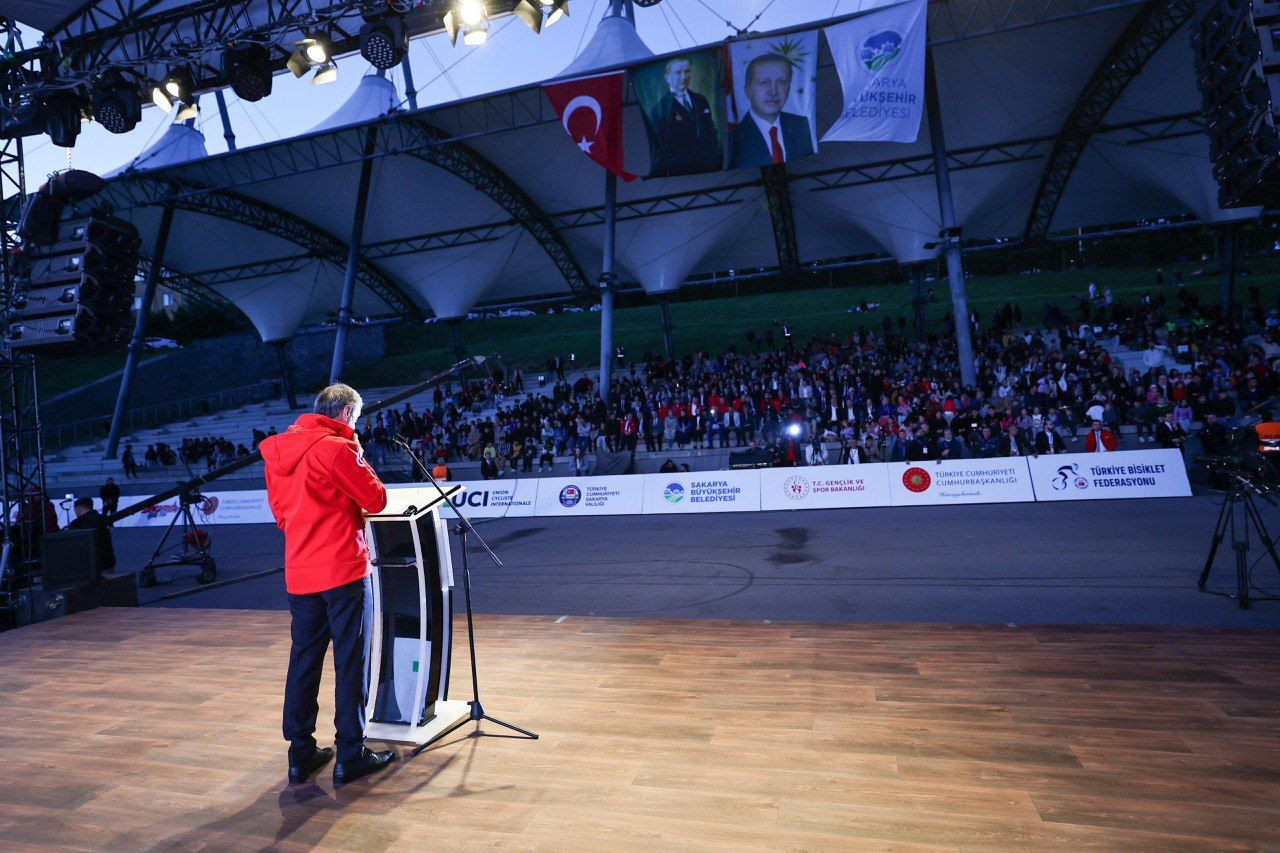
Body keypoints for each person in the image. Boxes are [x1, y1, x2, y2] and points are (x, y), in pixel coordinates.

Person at [261, 383, 393, 787]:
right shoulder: (337, 449)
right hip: (343, 571)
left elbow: (281, 516)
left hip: (301, 572)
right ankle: (350, 754)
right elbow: (377, 500)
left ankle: (300, 754)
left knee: (304, 661)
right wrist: (356, 450)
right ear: (349, 414)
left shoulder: (279, 451)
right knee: (351, 660)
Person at [728, 53, 815, 168]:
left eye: (781, 82)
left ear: (789, 87)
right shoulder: (735, 138)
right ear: (748, 90)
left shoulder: (801, 125)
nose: (773, 92)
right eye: (764, 83)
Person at [648, 56, 721, 176]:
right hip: (680, 170)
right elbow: (664, 145)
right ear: (667, 77)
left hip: (709, 166)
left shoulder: (701, 100)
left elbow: (711, 131)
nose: (683, 77)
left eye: (687, 72)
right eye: (678, 73)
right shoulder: (659, 110)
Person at [66, 497, 116, 575]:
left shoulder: (79, 524)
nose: (75, 513)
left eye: (75, 510)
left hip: (90, 566)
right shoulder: (101, 519)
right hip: (107, 563)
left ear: (79, 509)